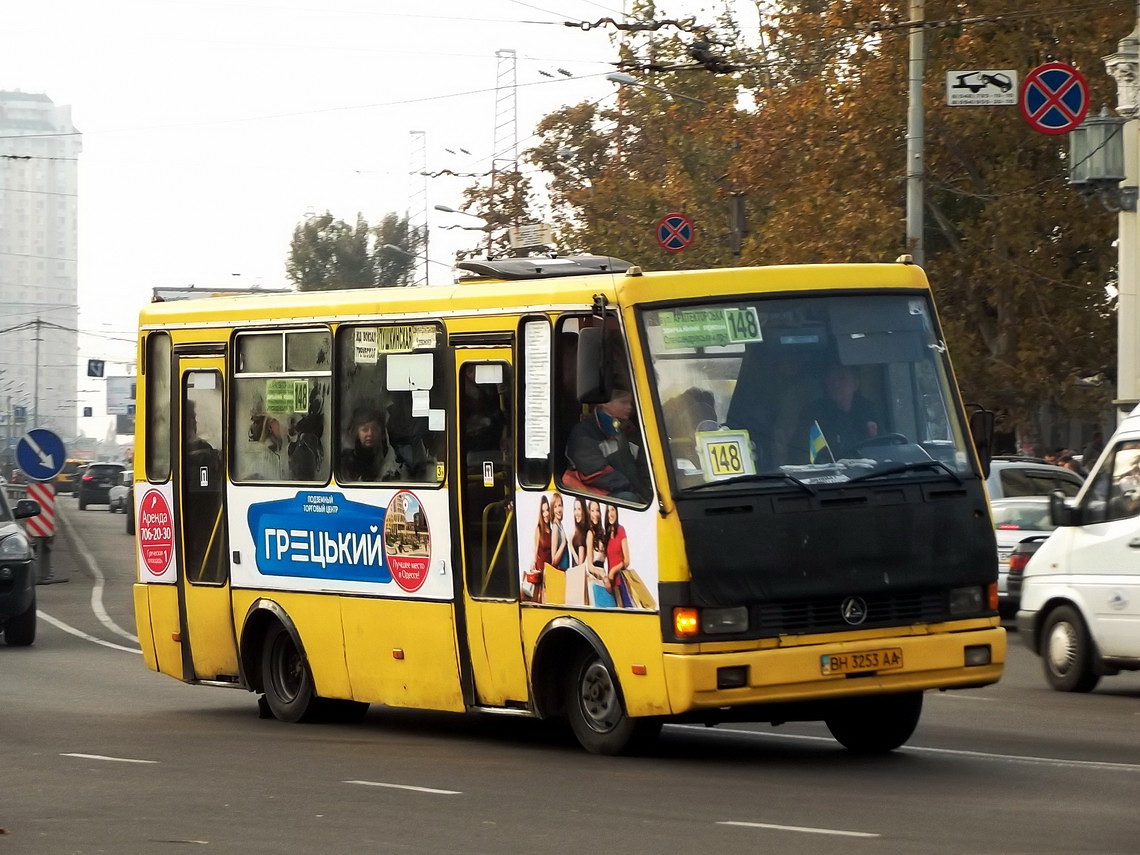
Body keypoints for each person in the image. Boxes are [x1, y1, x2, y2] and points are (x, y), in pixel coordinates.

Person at [565, 387, 649, 502]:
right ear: (605, 403)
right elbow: (595, 472)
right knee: (629, 499)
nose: (629, 407)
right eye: (624, 402)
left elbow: (644, 466)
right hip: (596, 493)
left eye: (631, 403)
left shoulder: (632, 432)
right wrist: (631, 487)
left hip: (627, 489)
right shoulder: (584, 432)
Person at [796, 363, 880, 461]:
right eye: (831, 379)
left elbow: (885, 446)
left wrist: (873, 435)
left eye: (842, 378)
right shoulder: (813, 412)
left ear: (855, 384)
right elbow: (802, 453)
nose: (836, 384)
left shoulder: (868, 410)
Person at [339, 406, 407, 482]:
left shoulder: (393, 463)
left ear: (382, 433)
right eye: (365, 429)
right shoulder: (345, 463)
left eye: (375, 429)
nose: (370, 433)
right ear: (357, 433)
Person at [604, 503, 632, 607]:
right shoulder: (607, 533)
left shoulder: (620, 530)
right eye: (608, 511)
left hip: (620, 581)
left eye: (612, 510)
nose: (610, 514)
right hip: (611, 584)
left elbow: (627, 560)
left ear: (616, 512)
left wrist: (613, 570)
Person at [525, 495, 552, 602]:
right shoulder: (539, 529)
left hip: (550, 568)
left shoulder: (552, 529)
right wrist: (533, 563)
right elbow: (535, 549)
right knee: (539, 597)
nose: (545, 514)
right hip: (540, 568)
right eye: (543, 511)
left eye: (547, 510)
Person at [550, 492, 570, 570]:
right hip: (559, 572)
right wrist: (563, 544)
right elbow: (554, 561)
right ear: (552, 509)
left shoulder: (560, 525)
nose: (558, 510)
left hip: (564, 571)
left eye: (560, 505)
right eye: (555, 507)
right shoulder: (555, 527)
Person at [570, 496, 590, 566]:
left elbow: (580, 563)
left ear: (583, 511)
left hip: (578, 574)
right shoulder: (580, 531)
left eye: (579, 509)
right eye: (575, 509)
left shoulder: (583, 533)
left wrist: (571, 545)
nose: (576, 513)